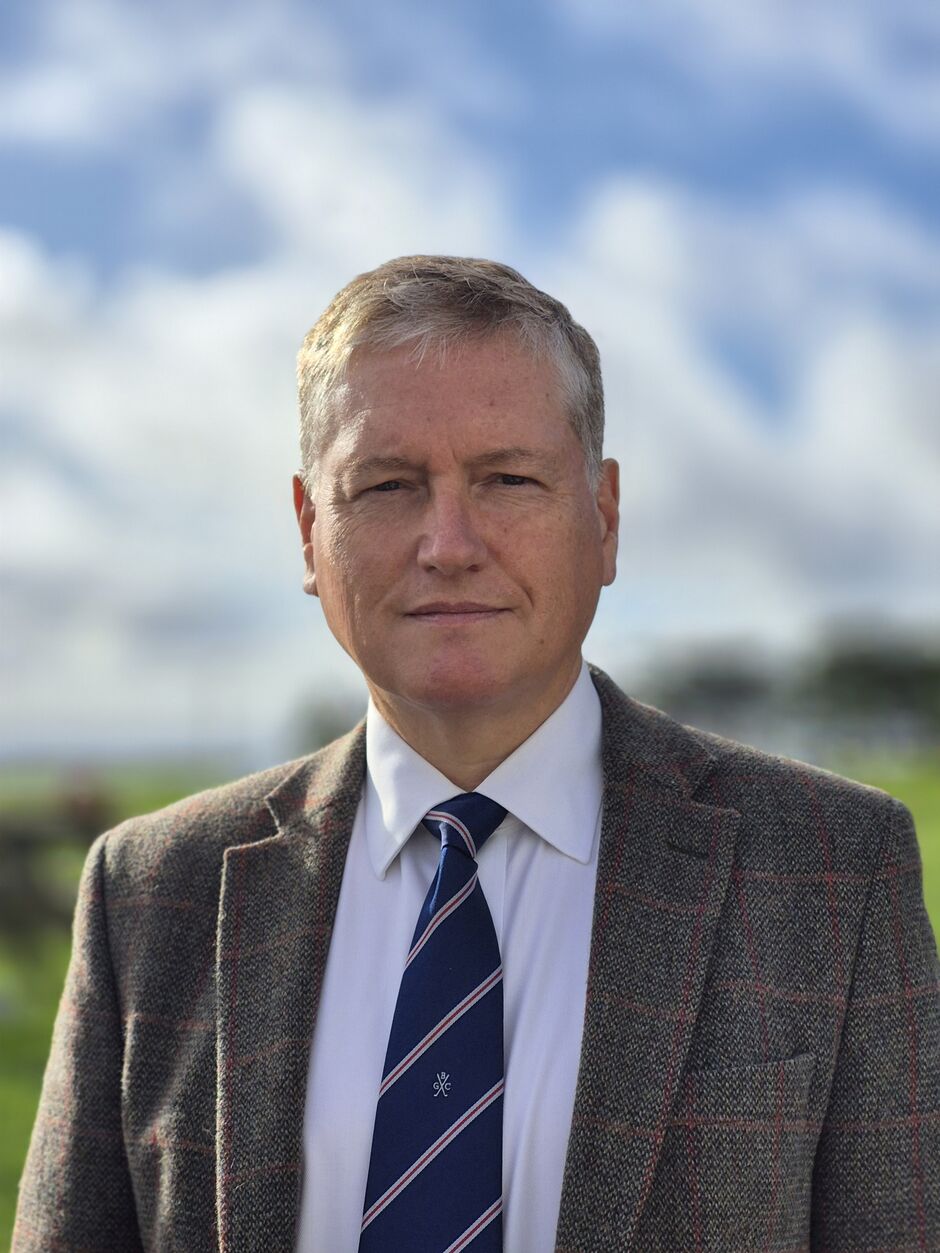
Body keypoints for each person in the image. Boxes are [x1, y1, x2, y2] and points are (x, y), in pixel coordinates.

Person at [15, 256, 939, 1252]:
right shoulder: (151, 891)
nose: (448, 543)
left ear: (604, 517)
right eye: (387, 484)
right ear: (309, 530)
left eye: (507, 479)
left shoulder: (833, 868)